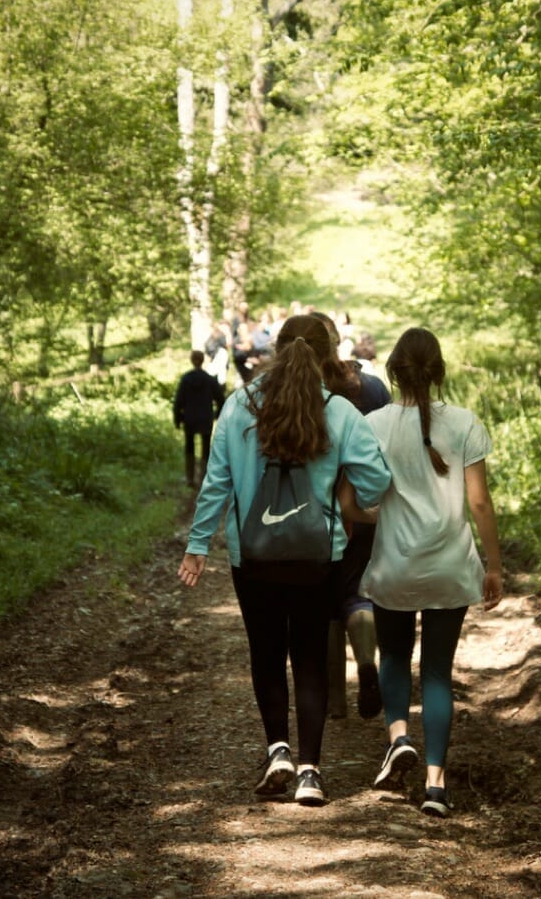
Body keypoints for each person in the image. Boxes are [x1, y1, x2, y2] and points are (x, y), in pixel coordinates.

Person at [177, 315, 391, 806]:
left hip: (253, 555)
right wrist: (339, 495)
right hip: (319, 556)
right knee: (310, 658)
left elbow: (218, 483)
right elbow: (377, 481)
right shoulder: (339, 411)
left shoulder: (239, 405)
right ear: (325, 355)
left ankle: (277, 751)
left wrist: (197, 546)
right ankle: (311, 772)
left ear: (276, 349)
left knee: (267, 653)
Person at [340, 327, 503, 818]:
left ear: (392, 372)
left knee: (393, 654)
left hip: (395, 566)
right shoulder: (466, 423)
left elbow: (350, 502)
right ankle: (436, 785)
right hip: (451, 568)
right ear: (438, 372)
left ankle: (398, 738)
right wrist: (493, 565)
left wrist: (380, 516)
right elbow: (478, 501)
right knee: (436, 671)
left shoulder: (373, 425)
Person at [309, 311, 391, 721]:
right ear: (338, 342)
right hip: (364, 508)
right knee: (358, 594)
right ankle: (367, 666)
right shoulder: (371, 387)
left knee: (325, 606)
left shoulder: (301, 392)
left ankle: (335, 700)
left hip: (316, 512)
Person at [173, 350, 226, 488]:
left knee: (189, 447)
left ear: (192, 360)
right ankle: (203, 477)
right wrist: (216, 415)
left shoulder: (186, 379)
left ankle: (190, 478)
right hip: (205, 418)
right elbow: (221, 400)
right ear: (202, 360)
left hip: (189, 418)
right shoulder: (209, 380)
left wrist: (177, 419)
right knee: (205, 447)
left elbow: (178, 401)